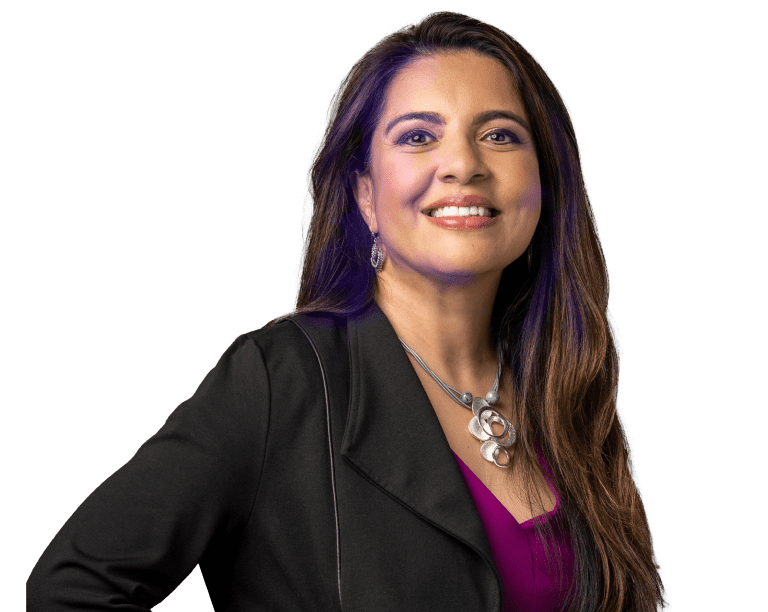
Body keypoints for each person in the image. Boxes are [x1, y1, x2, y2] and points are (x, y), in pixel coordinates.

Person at [27, 10, 668, 612]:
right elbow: (71, 590)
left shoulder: (567, 391)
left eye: (499, 134)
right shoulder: (279, 381)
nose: (463, 165)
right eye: (419, 136)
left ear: (544, 181)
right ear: (365, 194)